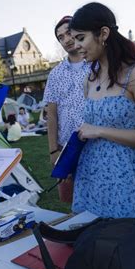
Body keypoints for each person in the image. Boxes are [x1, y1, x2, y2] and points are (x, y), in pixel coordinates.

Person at [70, 2, 135, 227]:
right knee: (93, 243)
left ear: (103, 33)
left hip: (124, 176)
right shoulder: (89, 79)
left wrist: (99, 131)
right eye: (74, 40)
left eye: (81, 38)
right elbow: (91, 126)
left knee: (126, 244)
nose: (76, 46)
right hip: (90, 175)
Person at [43, 16, 90, 202]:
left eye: (68, 32)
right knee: (73, 202)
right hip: (67, 147)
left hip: (96, 141)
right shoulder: (55, 74)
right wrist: (53, 150)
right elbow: (52, 115)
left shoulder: (96, 64)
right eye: (60, 37)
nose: (66, 39)